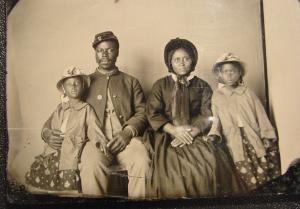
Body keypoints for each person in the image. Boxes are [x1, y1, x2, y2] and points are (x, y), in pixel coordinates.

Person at [144, 38, 246, 198]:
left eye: (186, 58)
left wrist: (191, 133)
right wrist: (174, 131)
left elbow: (207, 113)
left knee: (210, 161)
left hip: (195, 133)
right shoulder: (160, 85)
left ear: (193, 61)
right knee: (171, 170)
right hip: (167, 134)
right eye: (177, 59)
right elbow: (153, 113)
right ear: (170, 62)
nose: (182, 63)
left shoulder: (202, 86)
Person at [81, 31, 150, 198]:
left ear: (117, 52)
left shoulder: (131, 81)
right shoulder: (84, 82)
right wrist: (47, 132)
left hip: (126, 140)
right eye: (100, 50)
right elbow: (69, 109)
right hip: (96, 141)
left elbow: (143, 112)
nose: (104, 54)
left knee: (142, 161)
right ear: (95, 53)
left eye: (110, 49)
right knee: (90, 165)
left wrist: (127, 133)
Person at [25, 67, 111, 193]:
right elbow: (50, 126)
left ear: (83, 86)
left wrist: (100, 142)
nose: (73, 86)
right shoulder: (60, 108)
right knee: (49, 185)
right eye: (69, 84)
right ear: (64, 89)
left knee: (68, 187)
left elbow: (94, 128)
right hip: (54, 151)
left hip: (71, 151)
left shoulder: (86, 109)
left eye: (77, 83)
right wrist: (49, 135)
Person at [208, 53, 281, 190]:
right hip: (233, 138)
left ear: (239, 73)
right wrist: (214, 133)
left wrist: (267, 134)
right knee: (242, 169)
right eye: (225, 72)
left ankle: (266, 194)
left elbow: (261, 115)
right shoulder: (217, 96)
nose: (229, 75)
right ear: (220, 75)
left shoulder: (248, 93)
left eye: (232, 71)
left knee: (263, 164)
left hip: (252, 135)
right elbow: (216, 118)